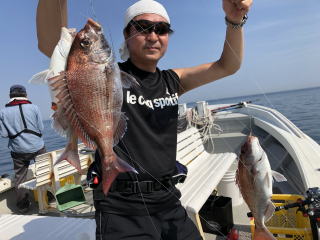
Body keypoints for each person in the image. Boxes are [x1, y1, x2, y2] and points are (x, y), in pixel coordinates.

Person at [36, 0, 252, 238]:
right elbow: (50, 43)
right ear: (126, 34)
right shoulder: (104, 74)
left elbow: (228, 65)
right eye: (143, 27)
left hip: (168, 201)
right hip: (120, 208)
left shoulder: (173, 81)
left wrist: (234, 20)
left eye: (161, 29)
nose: (153, 35)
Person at [0, 84, 46, 213]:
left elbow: (3, 134)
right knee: (45, 172)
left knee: (20, 178)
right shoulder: (34, 108)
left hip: (18, 150)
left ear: (10, 96)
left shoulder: (3, 112)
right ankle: (48, 196)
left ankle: (23, 205)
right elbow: (41, 129)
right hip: (38, 147)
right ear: (25, 95)